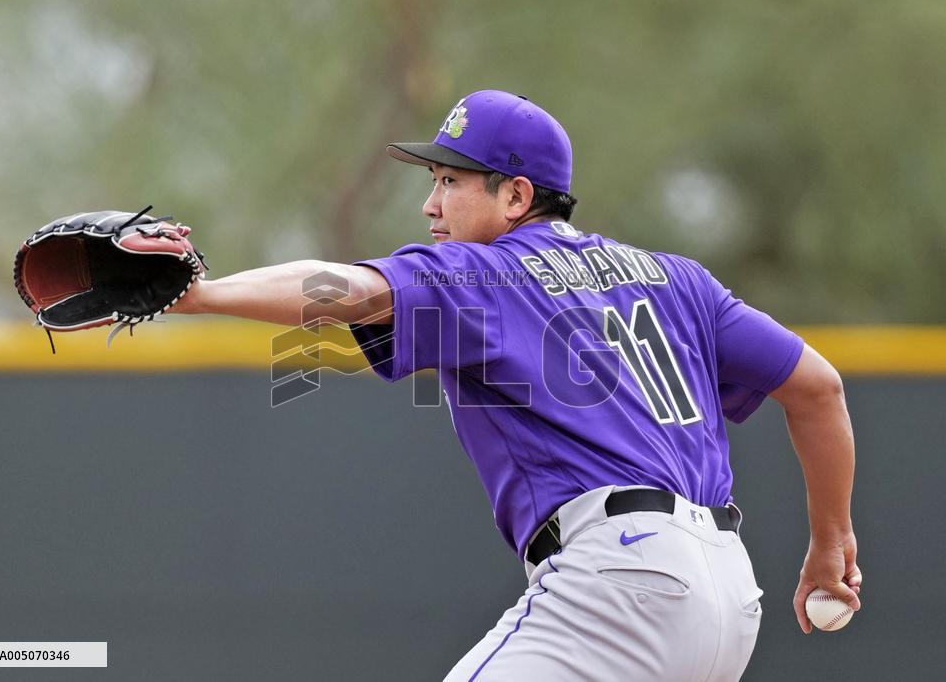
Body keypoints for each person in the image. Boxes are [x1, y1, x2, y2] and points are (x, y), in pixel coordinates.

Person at [171, 89, 861, 681]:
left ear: (516, 195)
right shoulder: (680, 279)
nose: (429, 205)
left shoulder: (487, 274)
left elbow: (345, 288)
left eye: (449, 181)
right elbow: (818, 389)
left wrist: (203, 294)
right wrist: (830, 544)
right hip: (732, 598)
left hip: (620, 581)